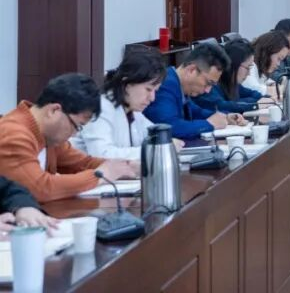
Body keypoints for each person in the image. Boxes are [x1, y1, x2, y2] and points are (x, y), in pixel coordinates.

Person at [0, 74, 138, 202]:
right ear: (54, 111)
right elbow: (40, 188)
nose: (75, 134)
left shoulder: (48, 136)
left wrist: (125, 167)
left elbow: (83, 163)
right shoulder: (12, 133)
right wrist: (100, 175)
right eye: (77, 126)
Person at [73, 48, 176, 160]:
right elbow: (102, 155)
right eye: (148, 89)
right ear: (127, 84)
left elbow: (154, 135)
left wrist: (167, 144)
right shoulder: (100, 108)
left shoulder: (133, 112)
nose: (152, 98)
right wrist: (154, 150)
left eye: (155, 91)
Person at [144, 43, 244, 141]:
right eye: (208, 83)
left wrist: (226, 117)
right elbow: (169, 127)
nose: (208, 90)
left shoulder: (179, 84)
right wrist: (210, 124)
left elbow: (197, 112)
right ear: (192, 70)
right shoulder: (165, 85)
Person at [194, 39, 264, 114]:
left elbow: (256, 94)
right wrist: (255, 103)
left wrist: (261, 101)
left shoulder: (232, 82)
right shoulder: (211, 82)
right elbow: (221, 106)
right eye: (247, 67)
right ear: (234, 64)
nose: (249, 73)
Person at [243, 30, 290, 97]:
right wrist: (282, 89)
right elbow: (253, 88)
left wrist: (272, 84)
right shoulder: (250, 64)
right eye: (279, 59)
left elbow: (266, 81)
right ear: (268, 51)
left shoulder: (260, 68)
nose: (278, 64)